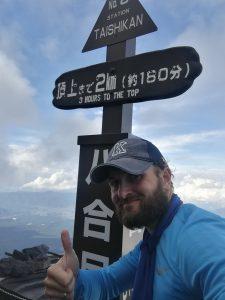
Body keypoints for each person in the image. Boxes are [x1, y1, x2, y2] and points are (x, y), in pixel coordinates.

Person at [44, 136, 225, 299]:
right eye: (115, 183)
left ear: (166, 177)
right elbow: (108, 282)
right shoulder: (153, 242)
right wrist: (72, 279)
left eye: (135, 177)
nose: (122, 193)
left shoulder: (196, 237)